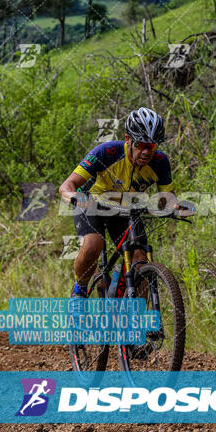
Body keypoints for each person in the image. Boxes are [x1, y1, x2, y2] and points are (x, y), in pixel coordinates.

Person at [59, 107, 179, 299]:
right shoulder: (107, 152)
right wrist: (74, 196)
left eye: (153, 145)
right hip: (93, 205)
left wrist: (174, 207)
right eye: (140, 144)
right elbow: (67, 185)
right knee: (93, 245)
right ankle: (79, 292)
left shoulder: (160, 162)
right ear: (128, 139)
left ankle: (135, 322)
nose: (146, 151)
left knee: (140, 260)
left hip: (127, 210)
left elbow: (168, 198)